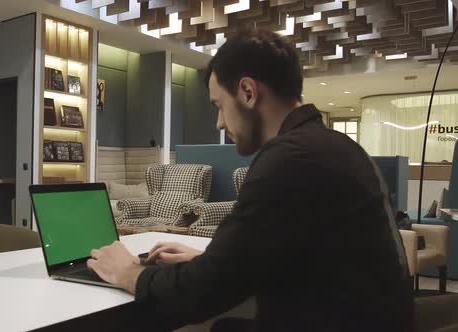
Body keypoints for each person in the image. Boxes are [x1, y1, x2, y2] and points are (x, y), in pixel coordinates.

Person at [86, 28, 414, 332]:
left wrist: (128, 272)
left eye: (219, 105)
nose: (218, 122)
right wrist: (211, 260)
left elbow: (200, 295)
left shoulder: (289, 160)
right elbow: (310, 259)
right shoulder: (336, 146)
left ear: (247, 92)